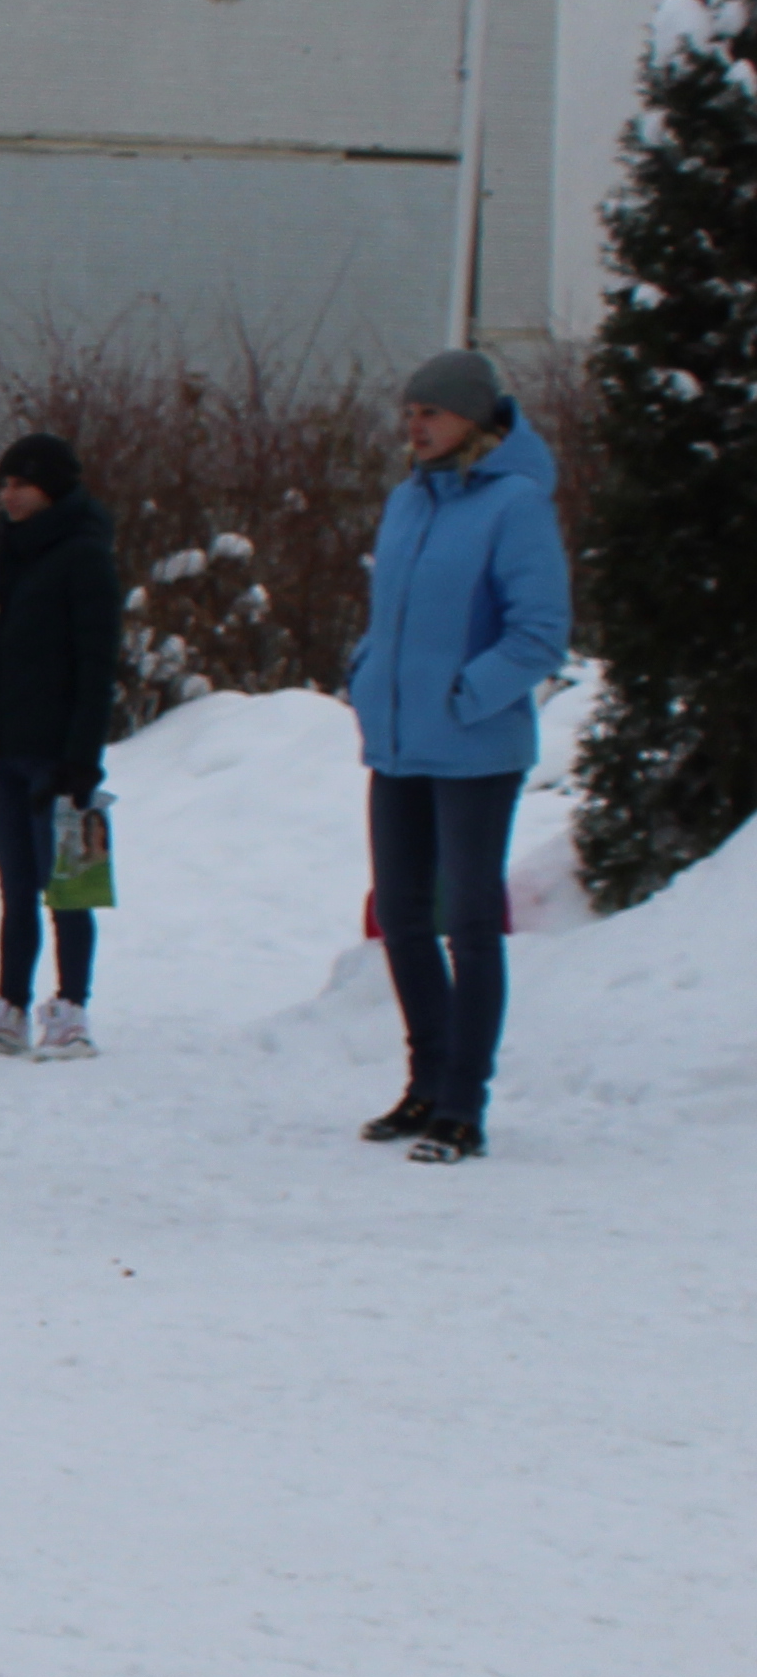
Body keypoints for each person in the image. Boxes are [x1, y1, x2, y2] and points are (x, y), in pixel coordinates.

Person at [349, 347, 571, 1162]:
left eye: (430, 414)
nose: (415, 428)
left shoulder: (515, 506)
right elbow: (391, 617)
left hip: (476, 749)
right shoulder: (407, 502)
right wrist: (368, 674)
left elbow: (540, 632)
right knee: (404, 916)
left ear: (474, 420)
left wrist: (463, 697)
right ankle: (426, 1084)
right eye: (409, 414)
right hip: (399, 745)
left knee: (470, 925)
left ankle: (464, 1105)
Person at [0, 434, 120, 1061]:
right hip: (5, 749)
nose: (10, 495)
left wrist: (82, 757)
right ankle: (10, 1008)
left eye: (22, 483)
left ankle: (71, 1008)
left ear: (52, 488)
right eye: (4, 484)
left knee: (69, 885)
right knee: (15, 886)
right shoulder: (3, 558)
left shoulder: (84, 557)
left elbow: (96, 663)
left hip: (60, 755)